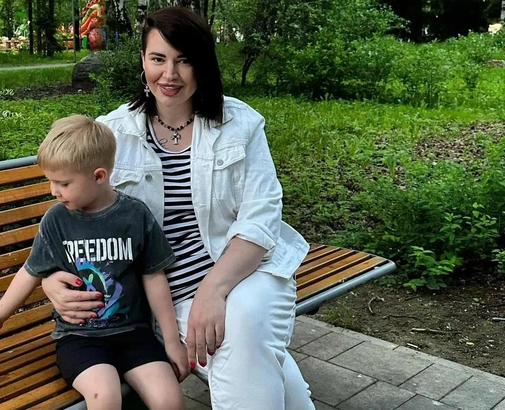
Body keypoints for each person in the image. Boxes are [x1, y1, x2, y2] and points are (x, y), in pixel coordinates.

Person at [39, 7, 316, 410]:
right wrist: (50, 280)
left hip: (245, 274)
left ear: (202, 64)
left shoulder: (241, 124)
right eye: (158, 59)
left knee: (243, 322)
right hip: (168, 301)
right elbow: (73, 216)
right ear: (143, 60)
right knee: (261, 363)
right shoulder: (113, 133)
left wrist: (213, 290)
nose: (169, 74)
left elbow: (261, 219)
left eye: (184, 60)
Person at [0, 115, 189, 410]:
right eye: (51, 181)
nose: (53, 191)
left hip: (134, 335)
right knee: (105, 397)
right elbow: (30, 272)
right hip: (80, 339)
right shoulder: (57, 220)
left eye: (63, 183)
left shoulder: (135, 215)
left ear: (99, 176)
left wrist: (172, 342)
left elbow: (154, 277)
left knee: (169, 400)